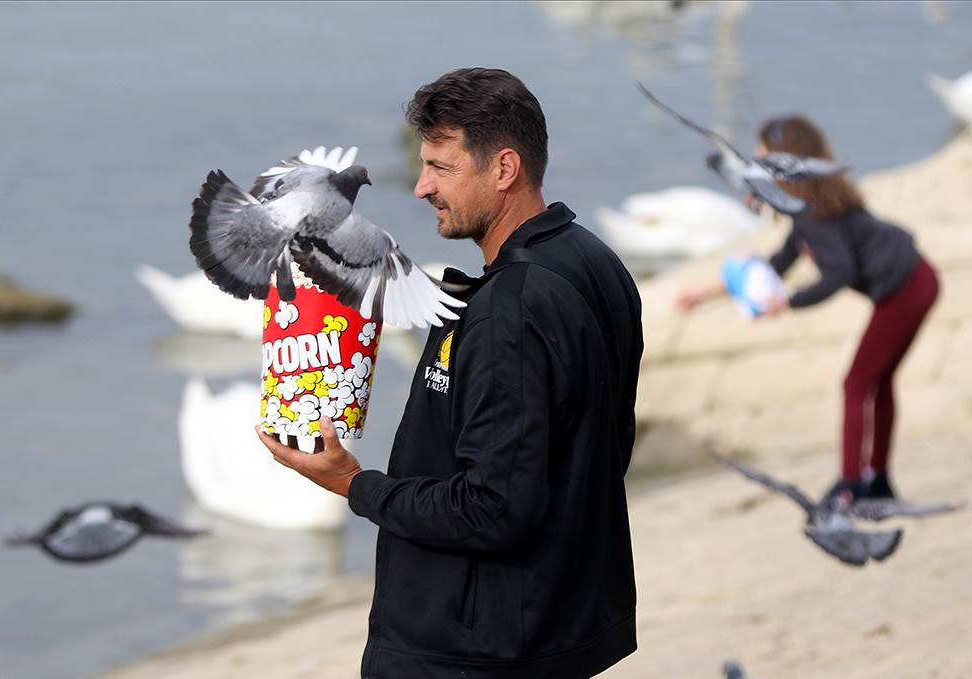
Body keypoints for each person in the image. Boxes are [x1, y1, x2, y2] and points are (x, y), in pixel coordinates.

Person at [257, 67, 643, 678]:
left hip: (473, 652)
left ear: (504, 168)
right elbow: (607, 446)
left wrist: (354, 484)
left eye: (441, 167)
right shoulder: (596, 262)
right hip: (560, 624)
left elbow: (491, 508)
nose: (419, 187)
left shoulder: (509, 310)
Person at [676, 115, 940, 508]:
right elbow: (775, 265)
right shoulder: (808, 208)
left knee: (856, 384)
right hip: (913, 282)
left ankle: (850, 486)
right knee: (876, 382)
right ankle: (878, 481)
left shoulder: (817, 214)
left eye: (763, 156)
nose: (756, 166)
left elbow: (839, 273)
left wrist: (789, 302)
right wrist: (705, 294)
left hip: (908, 288)